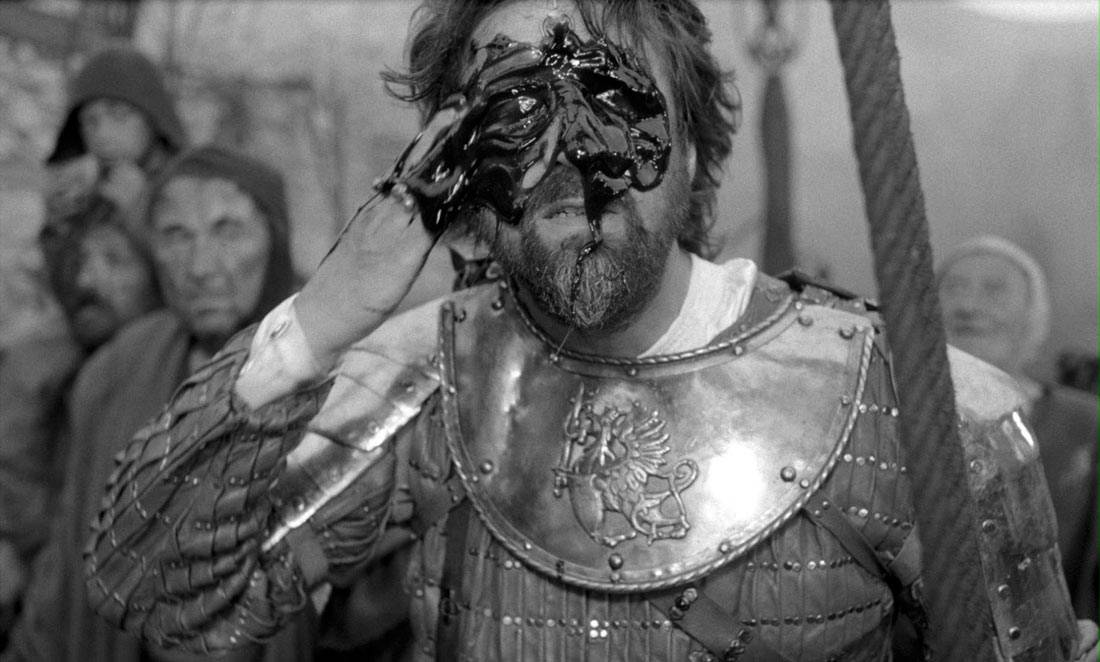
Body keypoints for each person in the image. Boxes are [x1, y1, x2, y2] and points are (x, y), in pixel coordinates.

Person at [83, 2, 1094, 660]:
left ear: (689, 148)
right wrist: (325, 316)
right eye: (515, 116)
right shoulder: (423, 377)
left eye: (613, 99)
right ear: (460, 167)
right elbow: (161, 596)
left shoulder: (923, 412)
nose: (574, 160)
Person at [2, 146, 304, 662]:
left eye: (228, 230)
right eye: (176, 236)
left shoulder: (332, 367)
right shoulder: (117, 370)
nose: (200, 267)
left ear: (273, 241)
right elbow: (67, 570)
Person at [0, 196, 161, 631]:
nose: (86, 280)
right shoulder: (56, 369)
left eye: (114, 260)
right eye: (79, 262)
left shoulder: (170, 379)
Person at [939, 235, 1098, 621]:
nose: (968, 306)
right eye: (953, 288)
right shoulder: (886, 413)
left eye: (994, 290)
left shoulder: (1084, 423)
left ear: (1033, 313)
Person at [44, 46, 187, 227]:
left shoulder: (193, 188)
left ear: (153, 119)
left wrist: (140, 216)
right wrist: (60, 220)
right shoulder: (94, 191)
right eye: (90, 121)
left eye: (119, 115)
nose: (101, 135)